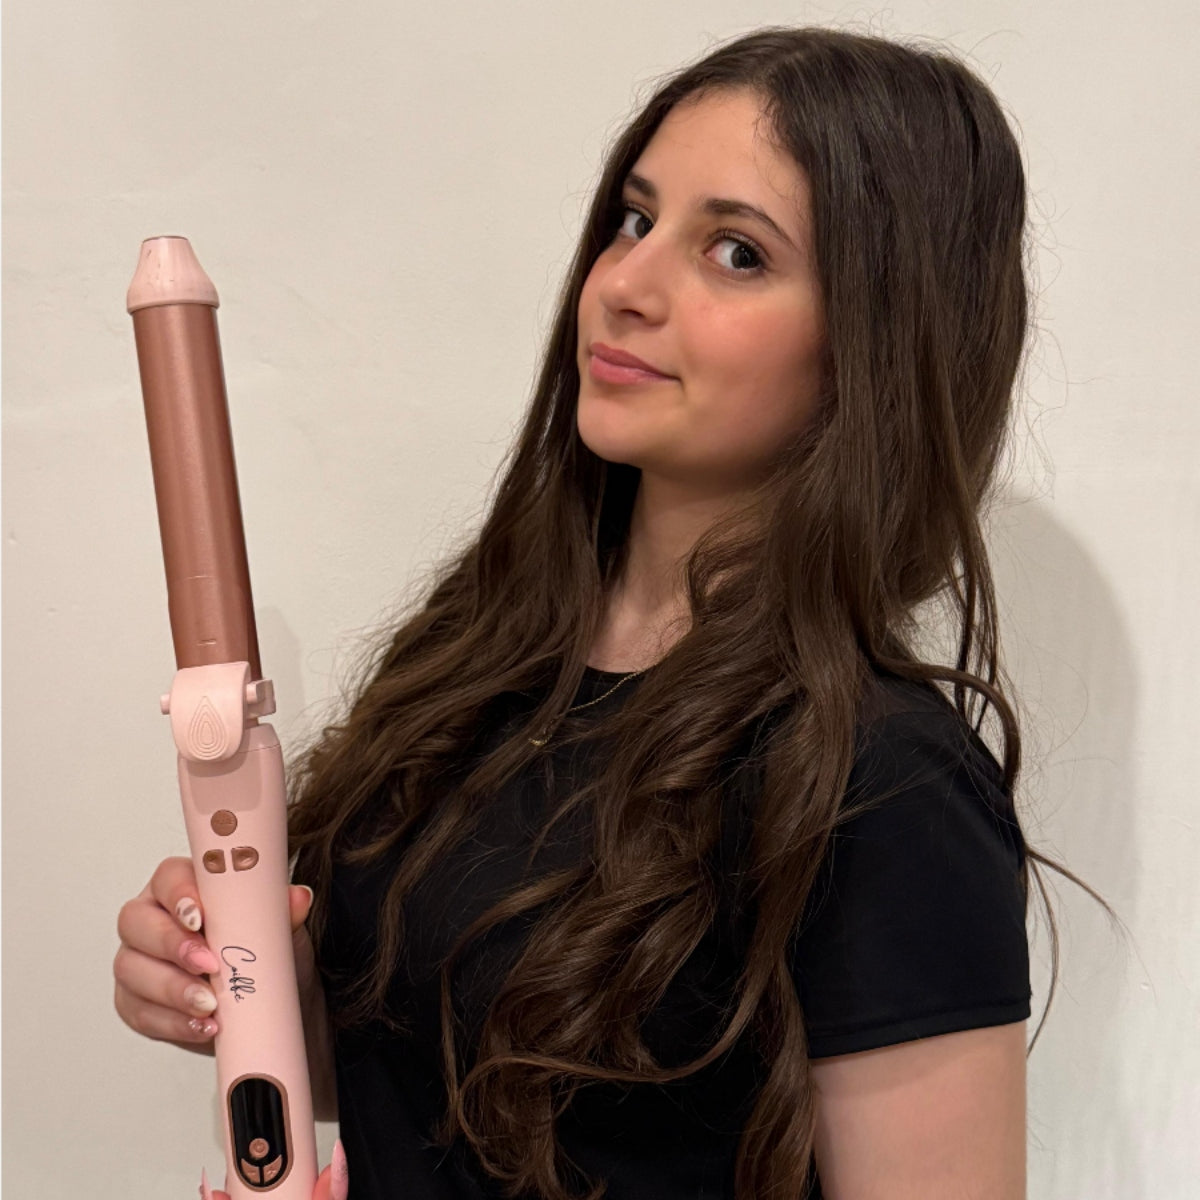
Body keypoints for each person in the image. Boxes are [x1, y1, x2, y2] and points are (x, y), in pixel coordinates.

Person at [113, 25, 1091, 1199]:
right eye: (635, 220)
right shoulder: (477, 662)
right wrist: (229, 982)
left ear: (875, 341)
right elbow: (430, 1084)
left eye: (736, 252)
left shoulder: (882, 786)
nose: (624, 285)